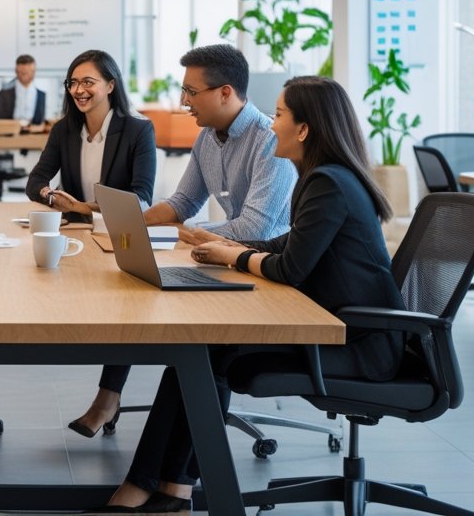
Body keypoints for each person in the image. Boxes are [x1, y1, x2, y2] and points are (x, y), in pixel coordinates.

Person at [99, 76, 406, 513]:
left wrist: (232, 259)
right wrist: (228, 248)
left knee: (205, 353)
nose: (272, 124)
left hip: (360, 345)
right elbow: (285, 246)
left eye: (279, 115)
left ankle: (159, 488)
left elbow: (291, 267)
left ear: (304, 129)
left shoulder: (328, 183)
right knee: (201, 350)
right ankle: (167, 489)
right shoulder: (321, 178)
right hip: (346, 330)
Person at [66, 44, 297, 438]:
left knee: (158, 302)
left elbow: (255, 229)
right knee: (135, 289)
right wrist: (120, 219)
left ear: (225, 92)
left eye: (191, 92)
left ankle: (171, 428)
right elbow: (182, 203)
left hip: (267, 274)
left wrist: (180, 236)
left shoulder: (268, 140)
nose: (183, 101)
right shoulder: (209, 138)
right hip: (224, 259)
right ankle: (109, 397)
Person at [26, 49, 155, 224]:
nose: (78, 90)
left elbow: (142, 200)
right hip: (76, 231)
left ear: (110, 85)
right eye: (73, 83)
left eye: (88, 82)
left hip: (120, 232)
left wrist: (79, 207)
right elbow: (35, 181)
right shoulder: (62, 130)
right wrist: (50, 196)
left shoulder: (138, 130)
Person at [0, 53, 46, 125]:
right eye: (22, 73)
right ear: (16, 71)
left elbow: (41, 120)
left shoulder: (41, 95)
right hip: (10, 132)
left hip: (33, 133)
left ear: (34, 72)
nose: (25, 75)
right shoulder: (4, 94)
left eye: (28, 72)